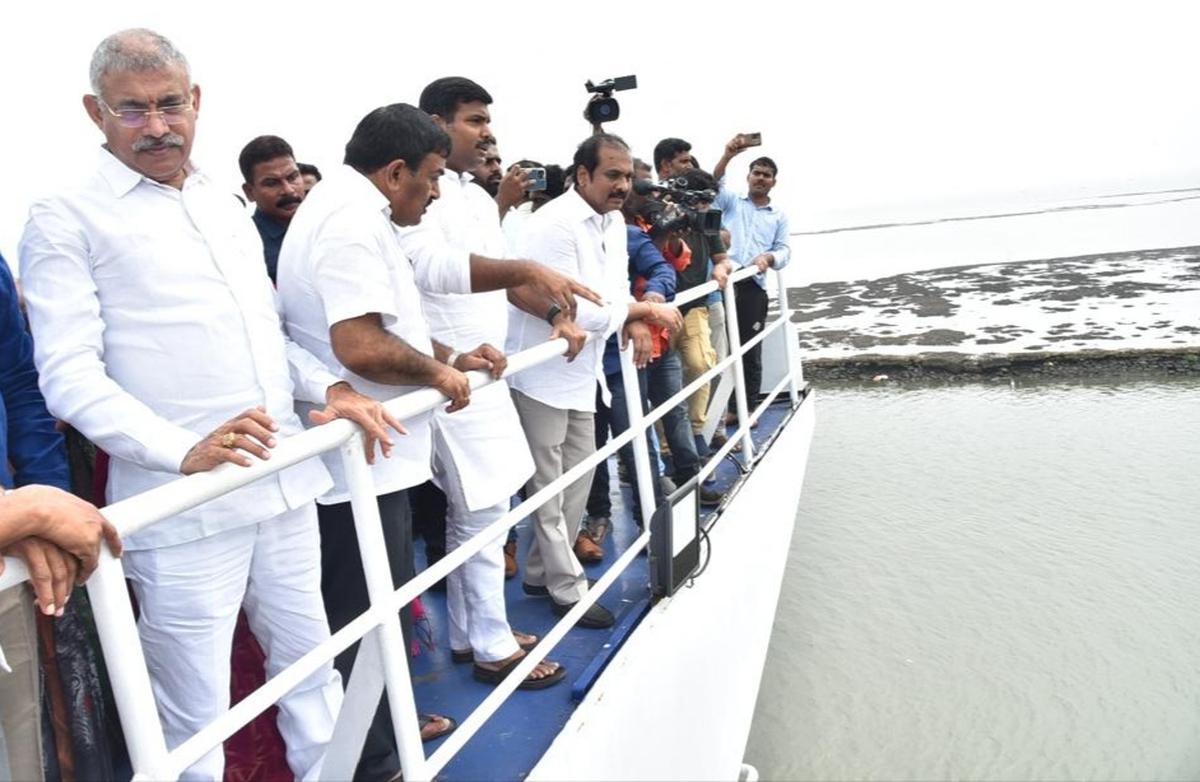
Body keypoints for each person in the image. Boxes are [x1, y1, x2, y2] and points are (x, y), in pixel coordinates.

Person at [18, 29, 398, 781]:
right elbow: (67, 377)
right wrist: (180, 450)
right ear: (96, 112)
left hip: (284, 486)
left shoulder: (221, 205)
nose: (157, 125)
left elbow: (265, 339)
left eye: (169, 104)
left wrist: (332, 388)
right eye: (133, 110)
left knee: (312, 673)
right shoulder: (65, 217)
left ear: (196, 103)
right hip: (179, 508)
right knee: (194, 717)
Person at [278, 101, 590, 777]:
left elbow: (398, 316)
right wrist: (437, 373)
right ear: (395, 172)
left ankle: (383, 725)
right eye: (431, 176)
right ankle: (377, 754)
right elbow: (358, 343)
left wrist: (450, 353)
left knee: (374, 599)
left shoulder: (362, 211)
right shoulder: (351, 222)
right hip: (360, 458)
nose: (437, 190)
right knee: (363, 604)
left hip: (375, 452)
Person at [396, 75, 575, 688]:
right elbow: (431, 275)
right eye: (474, 120)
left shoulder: (474, 195)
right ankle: (495, 647)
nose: (487, 131)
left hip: (485, 370)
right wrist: (448, 354)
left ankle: (472, 633)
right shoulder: (419, 196)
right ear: (437, 124)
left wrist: (556, 312)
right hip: (449, 374)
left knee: (482, 509)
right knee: (482, 511)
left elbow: (500, 278)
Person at [507, 133, 681, 629]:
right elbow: (571, 305)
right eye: (612, 175)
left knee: (577, 484)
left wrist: (631, 317)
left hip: (584, 374)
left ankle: (539, 572)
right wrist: (644, 309)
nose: (623, 184)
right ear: (582, 175)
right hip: (540, 372)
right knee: (548, 488)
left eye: (627, 176)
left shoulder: (612, 224)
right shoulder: (553, 225)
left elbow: (613, 291)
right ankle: (568, 590)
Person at [0, 252, 125, 782]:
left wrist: (42, 501)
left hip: (12, 560)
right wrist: (26, 512)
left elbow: (18, 383)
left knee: (23, 746)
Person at [713, 136, 792, 409]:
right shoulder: (733, 202)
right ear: (748, 177)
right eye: (756, 173)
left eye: (766, 175)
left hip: (753, 287)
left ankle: (745, 409)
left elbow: (784, 250)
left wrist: (768, 257)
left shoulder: (778, 215)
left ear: (774, 181)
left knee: (750, 351)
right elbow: (713, 186)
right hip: (725, 282)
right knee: (720, 348)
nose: (760, 178)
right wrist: (728, 155)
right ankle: (719, 411)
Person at [239, 135, 307, 282]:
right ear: (249, 192)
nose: (288, 190)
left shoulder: (326, 225)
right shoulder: (245, 244)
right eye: (272, 183)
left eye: (292, 177)